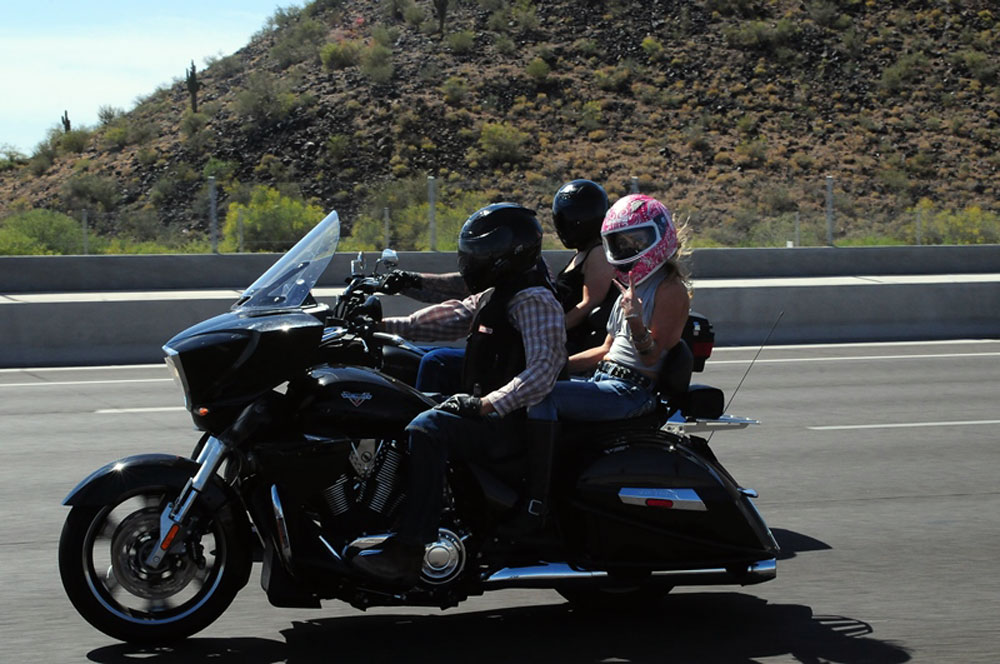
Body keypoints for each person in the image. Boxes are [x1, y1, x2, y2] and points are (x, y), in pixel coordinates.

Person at [351, 203, 567, 587]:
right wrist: (379, 326)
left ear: (508, 254)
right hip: (490, 411)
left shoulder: (533, 300)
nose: (472, 261)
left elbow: (543, 373)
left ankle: (409, 549)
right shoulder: (502, 288)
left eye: (481, 253)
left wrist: (485, 405)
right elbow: (453, 314)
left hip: (510, 425)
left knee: (427, 428)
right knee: (401, 401)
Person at [380, 179, 617, 390]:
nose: (568, 224)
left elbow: (588, 304)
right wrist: (408, 287)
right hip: (526, 343)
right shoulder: (560, 260)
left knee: (434, 362)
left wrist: (545, 330)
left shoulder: (595, 255)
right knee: (416, 356)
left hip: (537, 348)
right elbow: (463, 301)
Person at [550, 193, 690, 422]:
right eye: (619, 242)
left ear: (659, 234)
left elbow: (651, 357)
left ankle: (540, 459)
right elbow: (606, 350)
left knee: (542, 396)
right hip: (603, 379)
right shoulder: (632, 286)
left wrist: (635, 321)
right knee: (529, 387)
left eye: (635, 241)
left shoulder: (669, 289)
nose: (626, 248)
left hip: (631, 390)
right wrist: (556, 367)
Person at [551, 179, 618, 355]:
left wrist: (553, 331)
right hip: (565, 338)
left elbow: (590, 303)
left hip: (575, 343)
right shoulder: (582, 252)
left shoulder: (598, 253)